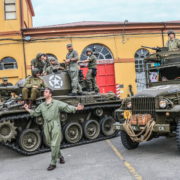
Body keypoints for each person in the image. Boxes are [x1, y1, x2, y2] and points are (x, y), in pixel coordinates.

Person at [24, 88, 84, 171]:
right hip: (46, 125)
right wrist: (27, 109)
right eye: (44, 92)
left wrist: (76, 108)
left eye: (46, 92)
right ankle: (60, 157)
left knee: (54, 144)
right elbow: (35, 113)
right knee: (50, 143)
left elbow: (66, 107)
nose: (44, 93)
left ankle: (53, 163)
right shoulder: (42, 105)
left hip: (55, 124)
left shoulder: (56, 103)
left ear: (50, 94)